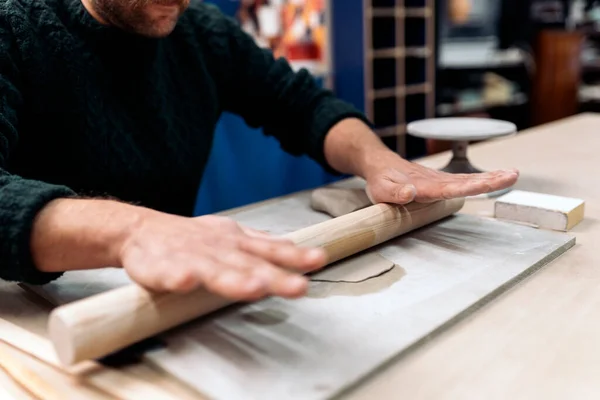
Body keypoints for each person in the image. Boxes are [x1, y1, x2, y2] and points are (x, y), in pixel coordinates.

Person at [0, 0, 518, 302]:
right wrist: (133, 229)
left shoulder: (200, 31)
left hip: (170, 294)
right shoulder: (13, 25)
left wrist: (379, 161)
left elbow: (299, 103)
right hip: (30, 314)